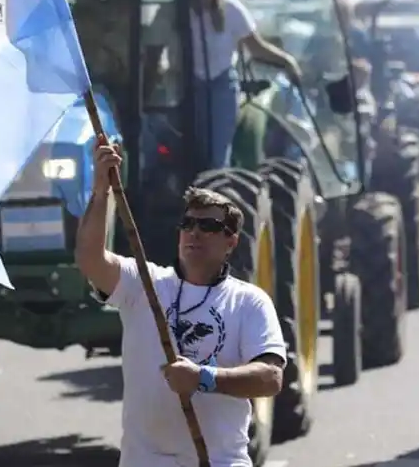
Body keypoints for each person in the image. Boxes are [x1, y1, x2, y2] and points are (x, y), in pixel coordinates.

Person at [76, 139, 286, 467]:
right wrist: (101, 190)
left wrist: (205, 378)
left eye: (208, 226)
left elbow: (271, 377)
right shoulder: (144, 283)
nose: (194, 232)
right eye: (188, 224)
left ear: (230, 242)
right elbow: (90, 259)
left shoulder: (249, 301)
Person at [148, 0, 303, 170]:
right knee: (175, 149)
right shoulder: (170, 12)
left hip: (220, 86)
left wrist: (286, 61)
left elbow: (256, 48)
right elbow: (153, 53)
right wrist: (147, 87)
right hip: (183, 85)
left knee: (215, 155)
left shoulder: (232, 10)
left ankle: (215, 188)